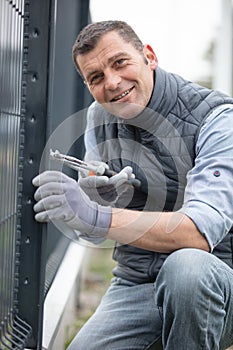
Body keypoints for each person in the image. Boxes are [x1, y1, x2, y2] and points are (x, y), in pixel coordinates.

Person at [32, 21, 233, 350]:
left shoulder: (217, 119)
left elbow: (198, 234)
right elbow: (93, 231)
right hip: (137, 283)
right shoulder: (99, 118)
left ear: (149, 57)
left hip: (217, 284)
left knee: (186, 269)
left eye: (120, 62)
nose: (112, 83)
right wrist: (90, 208)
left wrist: (99, 215)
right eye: (96, 78)